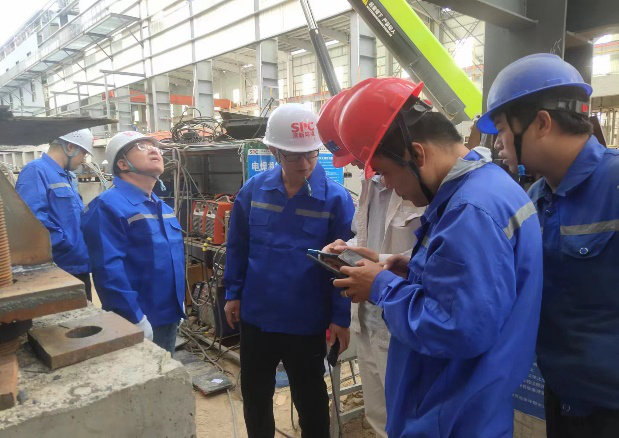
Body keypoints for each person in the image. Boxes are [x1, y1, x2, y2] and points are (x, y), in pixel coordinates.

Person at [331, 77, 543, 437]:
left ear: (417, 155)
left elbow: (457, 328)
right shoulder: (487, 188)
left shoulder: (469, 211)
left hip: (450, 417)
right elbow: (474, 292)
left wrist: (381, 287)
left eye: (385, 173)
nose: (388, 186)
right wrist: (411, 269)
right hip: (469, 406)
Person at [477, 53, 619, 438]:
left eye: (502, 129)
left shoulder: (614, 184)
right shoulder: (535, 197)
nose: (498, 144)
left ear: (541, 123)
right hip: (563, 398)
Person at [223, 103, 355, 438]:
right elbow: (238, 245)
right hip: (257, 317)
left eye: (311, 154)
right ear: (274, 151)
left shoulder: (335, 200)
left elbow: (343, 266)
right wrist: (233, 293)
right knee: (255, 395)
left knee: (311, 401)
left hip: (306, 321)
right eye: (294, 156)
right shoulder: (253, 191)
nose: (305, 164)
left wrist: (340, 318)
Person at [318, 91, 425, 437]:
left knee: (408, 419)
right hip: (367, 317)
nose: (354, 165)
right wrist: (345, 248)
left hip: (404, 319)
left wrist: (380, 272)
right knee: (379, 417)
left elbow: (432, 258)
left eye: (356, 155)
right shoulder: (370, 182)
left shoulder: (422, 183)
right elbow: (367, 238)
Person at [81, 131, 184, 354]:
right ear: (122, 163)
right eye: (141, 147)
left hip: (169, 315)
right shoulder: (108, 206)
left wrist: (179, 302)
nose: (154, 150)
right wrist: (134, 318)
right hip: (137, 319)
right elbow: (108, 270)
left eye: (156, 147)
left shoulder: (162, 207)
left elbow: (171, 259)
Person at [16, 129, 94, 300]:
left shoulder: (67, 176)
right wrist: (67, 244)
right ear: (70, 147)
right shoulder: (36, 171)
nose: (83, 160)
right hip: (58, 268)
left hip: (78, 265)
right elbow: (32, 222)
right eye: (84, 153)